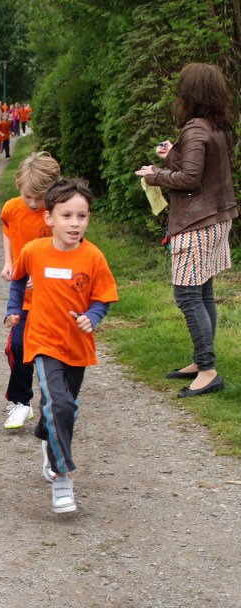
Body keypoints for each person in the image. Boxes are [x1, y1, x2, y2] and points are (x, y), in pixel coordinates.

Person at [5, 179, 118, 513]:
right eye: (66, 216)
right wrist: (13, 310)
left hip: (77, 346)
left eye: (81, 216)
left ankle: (46, 429)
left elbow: (103, 298)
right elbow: (17, 279)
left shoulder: (93, 257)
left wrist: (92, 317)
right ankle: (62, 476)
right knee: (59, 403)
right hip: (42, 341)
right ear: (49, 218)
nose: (74, 223)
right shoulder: (34, 251)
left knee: (64, 406)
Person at [136, 62, 237, 398]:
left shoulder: (195, 129)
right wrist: (171, 156)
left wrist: (155, 176)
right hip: (217, 218)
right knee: (203, 290)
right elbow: (200, 172)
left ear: (190, 93)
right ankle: (200, 361)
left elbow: (191, 179)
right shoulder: (217, 127)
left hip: (196, 223)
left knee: (187, 294)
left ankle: (207, 370)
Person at [0, 151, 61, 429]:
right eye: (28, 197)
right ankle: (20, 402)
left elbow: (72, 250)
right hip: (23, 297)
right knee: (18, 346)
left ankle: (59, 402)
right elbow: (8, 229)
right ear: (18, 186)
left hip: (55, 299)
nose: (34, 203)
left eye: (40, 197)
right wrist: (8, 262)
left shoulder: (60, 213)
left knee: (53, 352)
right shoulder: (12, 208)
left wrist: (46, 273)